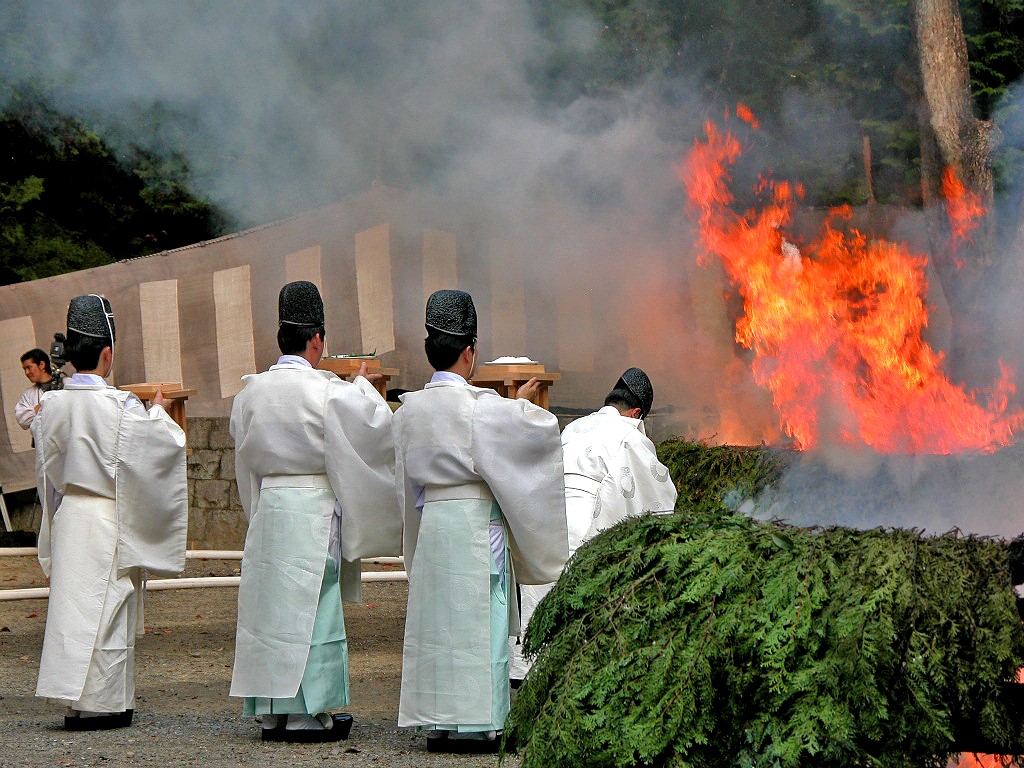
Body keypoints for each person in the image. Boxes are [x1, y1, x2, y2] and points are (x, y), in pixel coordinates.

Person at [394, 289, 568, 753]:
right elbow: (536, 433)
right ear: (469, 351)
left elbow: (406, 482)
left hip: (433, 522)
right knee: (478, 622)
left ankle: (438, 722)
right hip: (473, 524)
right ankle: (480, 724)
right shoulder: (482, 408)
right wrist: (527, 403)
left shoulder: (410, 409)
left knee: (437, 623)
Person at [229, 280, 402, 743]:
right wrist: (364, 385)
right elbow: (374, 429)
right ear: (317, 339)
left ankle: (270, 711)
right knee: (314, 607)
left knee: (270, 608)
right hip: (312, 505)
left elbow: (243, 457)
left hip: (271, 506)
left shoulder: (250, 393)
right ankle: (308, 714)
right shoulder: (326, 391)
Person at [32, 294, 188, 730]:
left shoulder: (50, 407)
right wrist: (157, 409)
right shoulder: (119, 407)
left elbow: (46, 475)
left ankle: (78, 702)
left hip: (71, 513)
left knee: (73, 609)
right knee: (108, 610)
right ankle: (102, 703)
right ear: (107, 353)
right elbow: (161, 447)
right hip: (106, 515)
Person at [508, 367, 679, 683]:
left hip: (549, 521)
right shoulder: (629, 434)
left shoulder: (574, 427)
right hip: (586, 523)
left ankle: (529, 666)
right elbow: (657, 495)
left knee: (542, 601)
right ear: (637, 413)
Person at [16, 348, 55, 429]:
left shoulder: (66, 383)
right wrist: (44, 405)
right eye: (24, 369)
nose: (26, 373)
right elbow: (23, 421)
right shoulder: (29, 394)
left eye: (29, 367)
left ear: (41, 365)